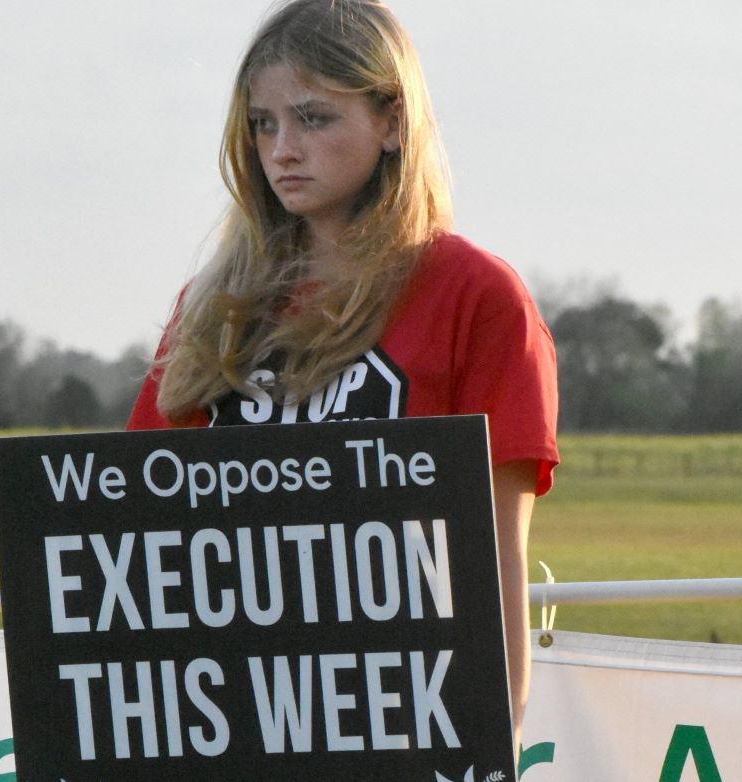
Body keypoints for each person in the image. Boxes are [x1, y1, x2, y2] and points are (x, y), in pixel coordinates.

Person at [126, 0, 559, 754]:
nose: (282, 149)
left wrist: (498, 733)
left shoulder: (476, 297)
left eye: (313, 119)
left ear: (392, 120)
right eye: (264, 124)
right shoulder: (212, 310)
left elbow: (497, 546)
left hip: (403, 711)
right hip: (233, 717)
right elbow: (141, 534)